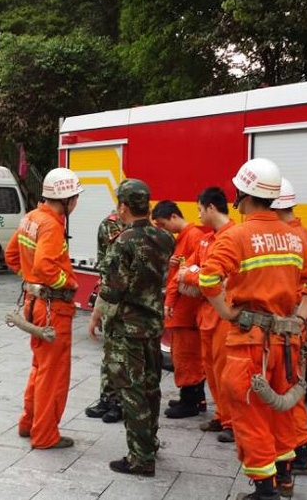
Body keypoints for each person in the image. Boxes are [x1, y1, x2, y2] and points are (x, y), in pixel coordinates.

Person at [199, 159, 307, 500]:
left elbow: (208, 279)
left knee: (250, 416)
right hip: (288, 342)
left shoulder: (237, 236)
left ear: (243, 194)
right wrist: (300, 318)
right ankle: (285, 477)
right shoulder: (295, 237)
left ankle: (265, 490)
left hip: (250, 345)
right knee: (281, 412)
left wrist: (226, 311)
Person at [90, 179, 175, 477]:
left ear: (123, 206)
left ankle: (140, 458)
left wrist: (98, 313)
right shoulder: (165, 238)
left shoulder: (123, 242)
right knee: (152, 387)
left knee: (131, 390)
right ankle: (150, 443)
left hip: (127, 328)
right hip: (153, 325)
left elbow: (112, 290)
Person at [5, 167, 84, 450]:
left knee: (39, 369)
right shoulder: (51, 224)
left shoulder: (31, 218)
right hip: (53, 308)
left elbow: (12, 255)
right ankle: (45, 435)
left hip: (34, 304)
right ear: (67, 199)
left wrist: (30, 282)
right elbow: (45, 266)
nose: (76, 203)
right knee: (53, 374)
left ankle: (29, 423)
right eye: (75, 198)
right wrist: (69, 282)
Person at [272, 178, 307, 478]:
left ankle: (298, 453)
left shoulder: (288, 237)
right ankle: (301, 451)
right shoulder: (302, 233)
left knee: (288, 393)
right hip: (300, 321)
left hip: (290, 323)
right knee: (293, 391)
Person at [179, 187, 236, 442]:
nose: (198, 215)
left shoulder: (233, 237)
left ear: (211, 207)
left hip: (224, 314)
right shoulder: (206, 238)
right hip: (207, 314)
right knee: (212, 370)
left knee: (226, 372)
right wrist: (192, 273)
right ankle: (221, 416)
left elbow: (210, 277)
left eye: (200, 209)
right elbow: (189, 266)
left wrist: (192, 274)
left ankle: (233, 422)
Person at [151, 200, 207, 419]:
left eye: (164, 224)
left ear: (174, 217)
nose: (164, 230)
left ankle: (191, 401)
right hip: (182, 309)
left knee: (188, 357)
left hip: (187, 310)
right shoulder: (185, 238)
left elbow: (194, 272)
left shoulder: (194, 237)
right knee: (183, 356)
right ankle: (192, 398)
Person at [85, 211, 125, 424]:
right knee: (110, 353)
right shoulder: (108, 225)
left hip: (128, 305)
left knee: (121, 356)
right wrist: (98, 309)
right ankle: (108, 399)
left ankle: (119, 403)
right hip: (110, 299)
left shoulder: (141, 232)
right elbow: (106, 271)